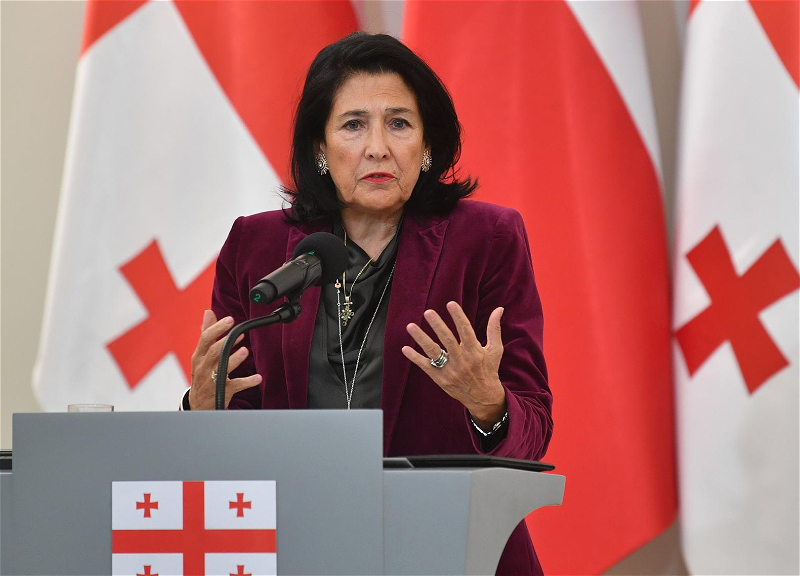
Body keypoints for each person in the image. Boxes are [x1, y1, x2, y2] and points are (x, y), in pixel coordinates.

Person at [184, 32, 553, 575]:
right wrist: (199, 411)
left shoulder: (487, 238)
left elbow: (533, 431)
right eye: (353, 125)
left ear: (427, 146)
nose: (378, 147)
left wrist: (488, 403)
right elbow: (234, 424)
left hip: (449, 548)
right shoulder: (256, 246)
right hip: (300, 547)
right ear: (320, 148)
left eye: (399, 123)